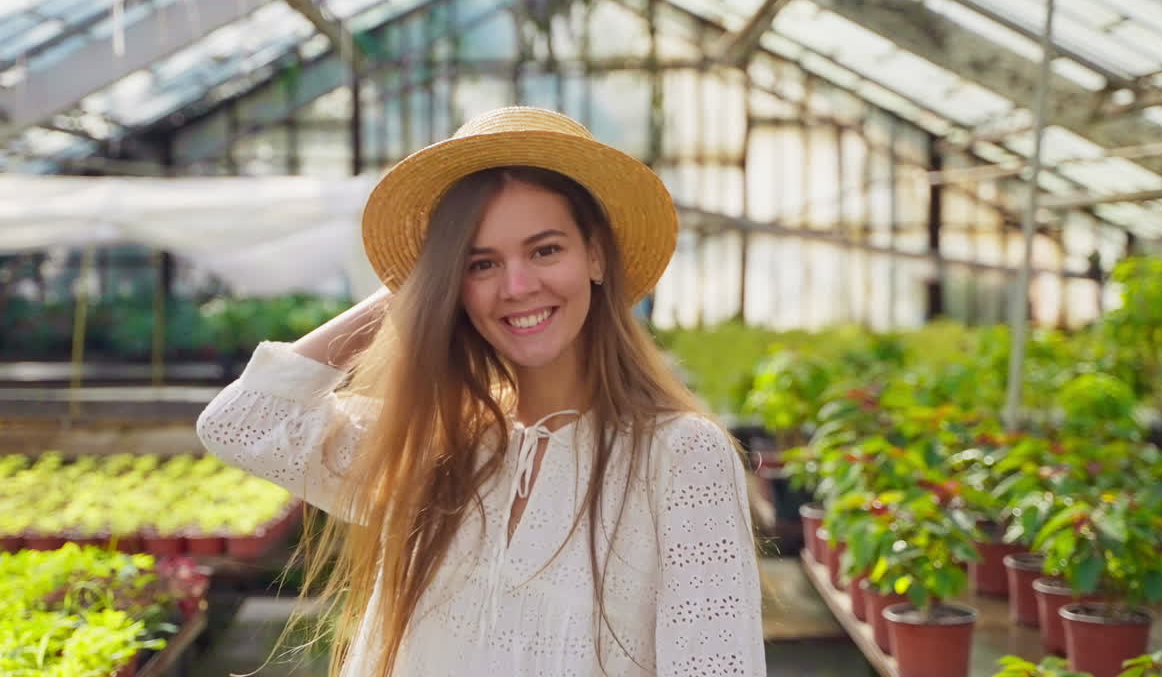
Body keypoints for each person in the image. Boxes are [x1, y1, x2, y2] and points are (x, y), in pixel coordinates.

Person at [197, 106, 766, 677]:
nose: (516, 287)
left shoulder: (679, 454)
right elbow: (242, 421)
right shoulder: (434, 442)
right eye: (481, 264)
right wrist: (414, 286)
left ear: (595, 255)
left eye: (545, 250)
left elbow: (716, 667)